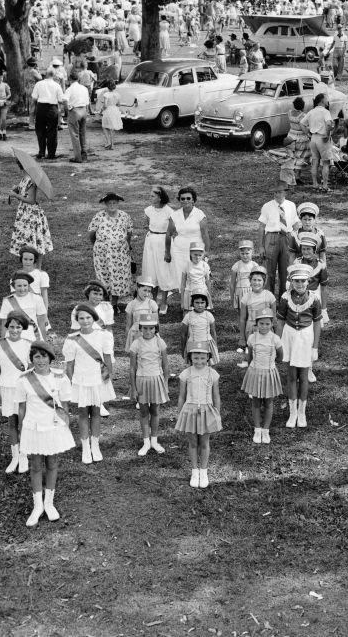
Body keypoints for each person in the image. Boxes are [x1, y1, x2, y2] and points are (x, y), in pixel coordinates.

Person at [17, 340, 74, 527]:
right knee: (35, 466)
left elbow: (65, 405)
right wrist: (20, 430)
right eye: (36, 357)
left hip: (53, 427)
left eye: (44, 356)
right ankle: (37, 505)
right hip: (33, 427)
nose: (40, 360)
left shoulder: (60, 378)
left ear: (50, 358)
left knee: (52, 463)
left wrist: (64, 425)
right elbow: (22, 408)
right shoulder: (24, 380)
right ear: (32, 359)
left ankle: (49, 503)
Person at [64, 303, 115, 465]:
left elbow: (107, 358)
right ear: (77, 320)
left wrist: (109, 377)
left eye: (88, 318)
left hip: (98, 379)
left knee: (97, 412)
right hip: (81, 380)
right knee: (83, 413)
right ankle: (85, 446)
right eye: (81, 318)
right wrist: (71, 383)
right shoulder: (72, 339)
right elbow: (70, 365)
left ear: (94, 319)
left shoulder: (104, 335)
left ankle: (95, 444)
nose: (85, 321)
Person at [276, 264, 322, 429]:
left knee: (303, 377)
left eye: (303, 281)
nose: (300, 284)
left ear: (308, 281)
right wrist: (278, 344)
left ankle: (302, 412)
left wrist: (315, 347)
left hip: (305, 338)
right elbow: (280, 322)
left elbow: (317, 323)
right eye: (296, 281)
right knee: (290, 376)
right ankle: (292, 412)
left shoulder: (314, 298)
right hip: (289, 337)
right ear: (291, 281)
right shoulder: (284, 297)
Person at [0, 311, 33, 475]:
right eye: (11, 327)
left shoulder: (28, 344)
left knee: (24, 422)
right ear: (7, 327)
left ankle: (24, 455)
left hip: (23, 389)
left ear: (23, 328)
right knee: (11, 423)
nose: (14, 330)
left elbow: (32, 370)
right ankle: (15, 456)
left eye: (18, 327)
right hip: (6, 388)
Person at [175, 341, 222, 489]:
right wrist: (180, 413)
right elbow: (181, 396)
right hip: (190, 410)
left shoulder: (212, 374)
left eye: (202, 358)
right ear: (190, 358)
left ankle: (204, 471)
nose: (199, 361)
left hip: (207, 410)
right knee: (193, 442)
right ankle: (194, 471)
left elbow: (216, 396)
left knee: (204, 442)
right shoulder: (186, 374)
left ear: (208, 357)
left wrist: (217, 413)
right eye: (196, 358)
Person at [129, 311, 169, 456]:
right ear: (140, 329)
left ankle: (154, 440)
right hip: (142, 380)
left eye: (151, 328)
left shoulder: (160, 342)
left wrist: (165, 383)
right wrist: (133, 388)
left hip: (156, 380)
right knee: (144, 411)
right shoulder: (136, 344)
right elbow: (132, 368)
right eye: (145, 328)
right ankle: (146, 441)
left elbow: (165, 365)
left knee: (156, 411)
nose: (148, 331)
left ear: (155, 329)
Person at [241, 307, 283, 444]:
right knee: (256, 402)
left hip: (269, 373)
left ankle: (266, 430)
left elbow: (280, 356)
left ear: (272, 324)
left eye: (267, 324)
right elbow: (250, 355)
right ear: (256, 324)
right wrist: (250, 365)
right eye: (261, 323)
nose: (264, 326)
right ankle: (257, 429)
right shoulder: (252, 338)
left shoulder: (275, 339)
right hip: (255, 371)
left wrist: (273, 363)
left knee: (269, 402)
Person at [88, 192, 134, 311]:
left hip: (120, 253)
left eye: (114, 202)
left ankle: (114, 304)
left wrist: (127, 246)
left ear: (118, 203)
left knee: (118, 278)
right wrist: (98, 245)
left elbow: (129, 233)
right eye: (109, 203)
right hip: (102, 253)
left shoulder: (125, 216)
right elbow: (91, 233)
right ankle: (106, 303)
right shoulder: (99, 216)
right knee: (104, 277)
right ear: (105, 204)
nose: (112, 205)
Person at [166, 186, 209, 304]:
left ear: (193, 200)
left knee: (197, 277)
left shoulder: (200, 214)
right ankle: (184, 305)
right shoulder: (175, 215)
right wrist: (167, 252)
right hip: (179, 251)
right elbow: (169, 234)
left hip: (196, 250)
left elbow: (205, 235)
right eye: (182, 198)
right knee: (182, 278)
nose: (185, 201)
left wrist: (207, 251)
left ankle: (200, 304)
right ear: (179, 200)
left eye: (188, 198)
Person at [256, 181, 299, 298]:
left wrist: (298, 240)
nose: (277, 194)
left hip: (287, 238)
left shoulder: (291, 205)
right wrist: (261, 246)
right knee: (269, 271)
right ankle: (268, 298)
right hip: (271, 238)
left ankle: (283, 298)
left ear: (285, 193)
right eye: (275, 192)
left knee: (285, 270)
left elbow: (295, 223)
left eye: (279, 192)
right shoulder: (267, 206)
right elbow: (261, 226)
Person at [142, 186, 178, 314]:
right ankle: (152, 302)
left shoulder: (170, 212)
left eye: (152, 195)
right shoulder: (148, 210)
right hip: (151, 242)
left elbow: (173, 231)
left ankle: (163, 302)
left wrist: (167, 251)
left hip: (164, 242)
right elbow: (148, 225)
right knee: (151, 271)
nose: (150, 197)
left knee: (164, 272)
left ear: (160, 197)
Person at [8, 164, 53, 262]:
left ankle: (38, 267)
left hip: (31, 214)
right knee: (27, 239)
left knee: (36, 240)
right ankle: (30, 264)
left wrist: (16, 195)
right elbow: (24, 192)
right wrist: (18, 189)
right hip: (24, 213)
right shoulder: (24, 178)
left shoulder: (31, 181)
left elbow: (31, 200)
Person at [0, 272, 51, 342]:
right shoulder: (7, 301)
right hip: (14, 337)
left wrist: (44, 341)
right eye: (19, 286)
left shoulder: (37, 298)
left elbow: (41, 322)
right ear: (14, 287)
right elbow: (4, 324)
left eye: (25, 285)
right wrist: (3, 341)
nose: (22, 288)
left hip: (33, 337)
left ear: (28, 286)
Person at [300, 93, 334, 192]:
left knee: (315, 162)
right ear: (322, 101)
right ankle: (325, 185)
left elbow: (302, 123)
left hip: (314, 138)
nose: (327, 101)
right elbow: (328, 124)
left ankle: (315, 184)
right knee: (326, 162)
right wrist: (327, 134)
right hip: (322, 138)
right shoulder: (325, 112)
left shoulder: (311, 112)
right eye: (326, 99)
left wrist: (308, 134)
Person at [30, 69, 64, 159]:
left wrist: (32, 112)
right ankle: (51, 154)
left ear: (45, 75)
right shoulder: (57, 85)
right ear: (53, 75)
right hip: (52, 108)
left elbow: (34, 99)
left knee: (40, 130)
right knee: (52, 131)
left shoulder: (38, 84)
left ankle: (41, 152)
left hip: (41, 107)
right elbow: (61, 100)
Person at [280, 97, 310, 189]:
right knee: (300, 157)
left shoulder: (289, 113)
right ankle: (297, 176)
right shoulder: (303, 115)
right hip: (300, 137)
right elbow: (305, 126)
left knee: (290, 157)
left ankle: (290, 178)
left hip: (290, 135)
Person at [64, 72, 90, 163]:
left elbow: (65, 100)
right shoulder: (84, 88)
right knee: (83, 133)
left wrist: (67, 108)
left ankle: (78, 157)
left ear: (70, 79)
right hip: (83, 110)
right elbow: (87, 102)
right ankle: (84, 155)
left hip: (74, 110)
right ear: (78, 79)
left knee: (75, 134)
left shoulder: (69, 89)